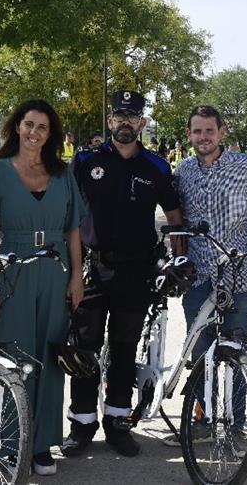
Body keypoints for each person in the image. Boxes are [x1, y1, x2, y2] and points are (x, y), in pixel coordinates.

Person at [0, 99, 85, 477]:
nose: (34, 132)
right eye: (29, 124)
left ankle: (43, 444)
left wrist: (77, 275)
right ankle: (12, 441)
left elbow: (73, 228)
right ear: (17, 126)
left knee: (49, 357)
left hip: (55, 268)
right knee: (13, 356)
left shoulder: (63, 174)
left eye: (43, 128)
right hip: (13, 265)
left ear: (52, 135)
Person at [61, 90, 183, 458]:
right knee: (85, 348)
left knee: (124, 348)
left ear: (142, 123)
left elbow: (175, 220)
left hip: (137, 270)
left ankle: (118, 422)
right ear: (110, 120)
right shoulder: (85, 161)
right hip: (92, 269)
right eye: (119, 115)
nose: (125, 122)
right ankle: (81, 423)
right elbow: (67, 217)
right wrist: (73, 271)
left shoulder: (157, 167)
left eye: (133, 116)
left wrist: (178, 263)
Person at [171, 105, 247, 444]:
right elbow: (177, 219)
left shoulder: (245, 166)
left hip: (239, 273)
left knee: (234, 350)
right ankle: (203, 419)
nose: (203, 137)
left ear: (220, 132)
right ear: (189, 135)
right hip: (198, 273)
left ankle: (235, 425)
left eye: (209, 131)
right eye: (196, 131)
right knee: (201, 352)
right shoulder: (183, 171)